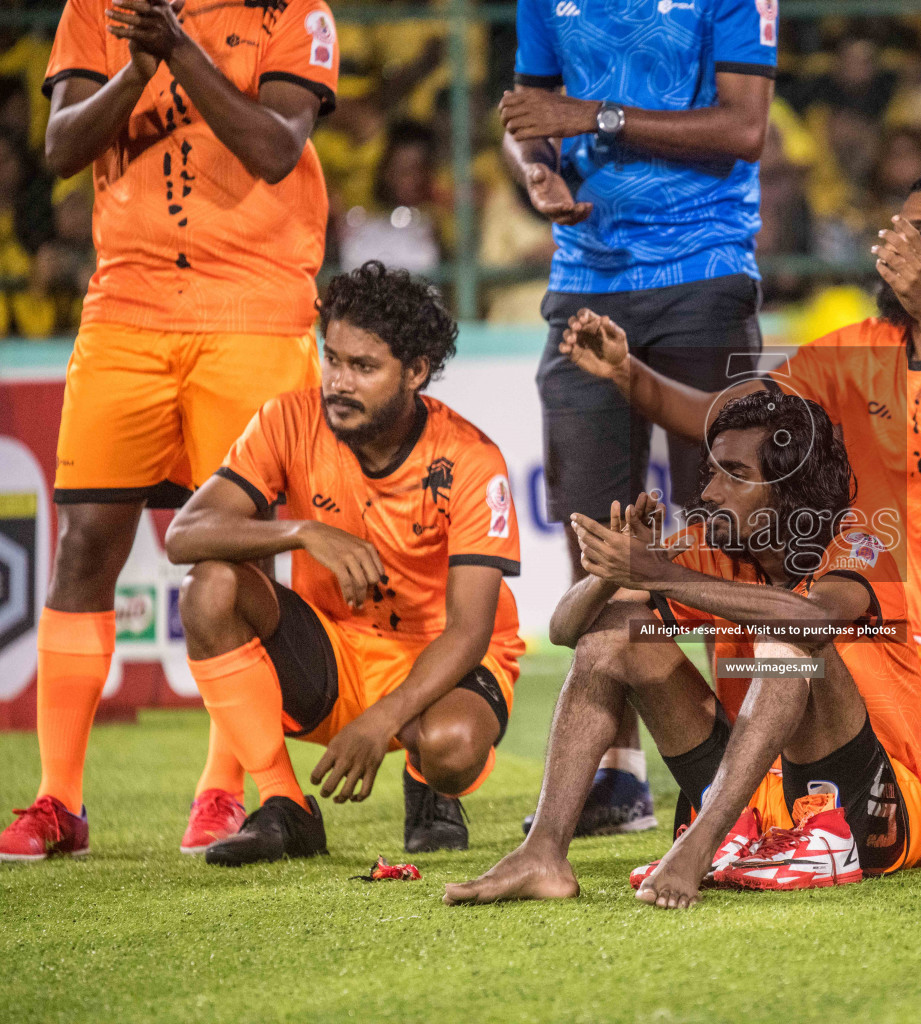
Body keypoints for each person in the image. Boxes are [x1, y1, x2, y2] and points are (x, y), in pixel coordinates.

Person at [556, 155, 921, 836]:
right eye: (897, 230)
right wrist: (628, 374)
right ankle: (909, 747)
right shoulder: (861, 350)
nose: (898, 246)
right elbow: (732, 415)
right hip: (897, 637)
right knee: (803, 645)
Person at [0, 0, 338, 862]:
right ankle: (57, 801)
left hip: (254, 311)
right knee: (84, 547)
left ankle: (233, 790)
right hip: (127, 309)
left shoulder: (293, 11)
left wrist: (178, 51)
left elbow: (276, 148)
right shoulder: (97, 9)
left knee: (239, 560)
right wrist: (137, 68)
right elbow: (61, 148)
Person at [443, 391, 921, 909]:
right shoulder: (713, 544)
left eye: (733, 473)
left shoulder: (863, 540)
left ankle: (702, 846)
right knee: (616, 633)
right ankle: (543, 854)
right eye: (711, 471)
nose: (709, 490)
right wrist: (614, 571)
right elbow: (567, 629)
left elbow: (815, 617)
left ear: (790, 487)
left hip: (870, 810)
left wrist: (663, 573)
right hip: (750, 806)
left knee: (786, 632)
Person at [505, 0, 778, 833]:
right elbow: (528, 118)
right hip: (585, 277)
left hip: (705, 269)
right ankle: (616, 774)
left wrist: (593, 117)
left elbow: (744, 129)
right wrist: (539, 171)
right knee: (599, 537)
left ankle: (743, 757)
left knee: (731, 522)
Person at [158, 263, 524, 866]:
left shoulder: (471, 458)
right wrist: (301, 532)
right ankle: (286, 806)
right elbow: (184, 534)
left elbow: (469, 631)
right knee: (210, 587)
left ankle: (428, 783)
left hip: (443, 654)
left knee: (452, 748)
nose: (338, 382)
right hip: (337, 646)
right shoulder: (287, 420)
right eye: (333, 359)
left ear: (416, 373)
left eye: (363, 367)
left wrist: (381, 722)